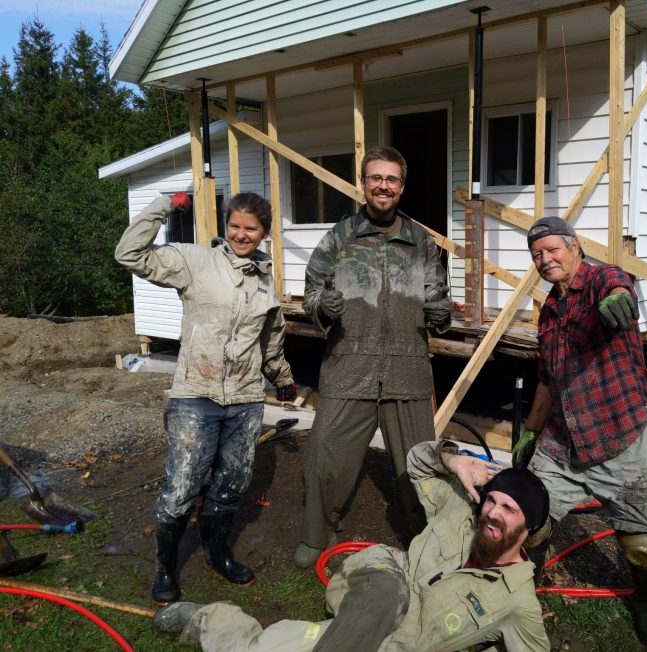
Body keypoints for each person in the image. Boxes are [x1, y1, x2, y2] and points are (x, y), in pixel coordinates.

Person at [152, 439, 550, 652]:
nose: (493, 514)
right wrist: (452, 460)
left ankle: (206, 620)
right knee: (388, 593)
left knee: (271, 646)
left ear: (528, 526)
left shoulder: (518, 603)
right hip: (381, 579)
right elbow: (415, 461)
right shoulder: (459, 506)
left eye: (509, 510)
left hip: (381, 639)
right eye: (493, 501)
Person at [115, 191, 297, 604]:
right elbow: (129, 253)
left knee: (231, 484)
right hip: (196, 394)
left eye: (251, 228)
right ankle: (166, 567)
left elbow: (269, 340)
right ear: (226, 226)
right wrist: (163, 204)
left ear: (263, 232)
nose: (241, 234)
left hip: (246, 399)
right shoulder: (194, 262)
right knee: (182, 488)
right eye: (235, 225)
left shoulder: (264, 281)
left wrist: (282, 378)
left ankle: (217, 554)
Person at [513, 216, 647, 646]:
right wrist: (530, 433)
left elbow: (620, 283)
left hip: (623, 432)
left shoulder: (603, 280)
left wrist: (618, 299)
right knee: (530, 518)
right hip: (564, 438)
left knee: (642, 544)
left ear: (574, 247)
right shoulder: (547, 313)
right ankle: (520, 593)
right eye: (537, 255)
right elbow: (546, 379)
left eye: (552, 250)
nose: (545, 260)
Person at [294, 146, 452, 568]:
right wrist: (320, 307)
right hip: (350, 364)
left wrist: (442, 313)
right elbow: (310, 291)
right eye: (375, 178)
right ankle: (317, 531)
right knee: (325, 452)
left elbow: (439, 297)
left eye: (392, 179)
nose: (383, 186)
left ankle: (431, 539)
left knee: (423, 465)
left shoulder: (421, 241)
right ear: (363, 184)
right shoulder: (340, 237)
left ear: (402, 186)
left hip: (407, 368)